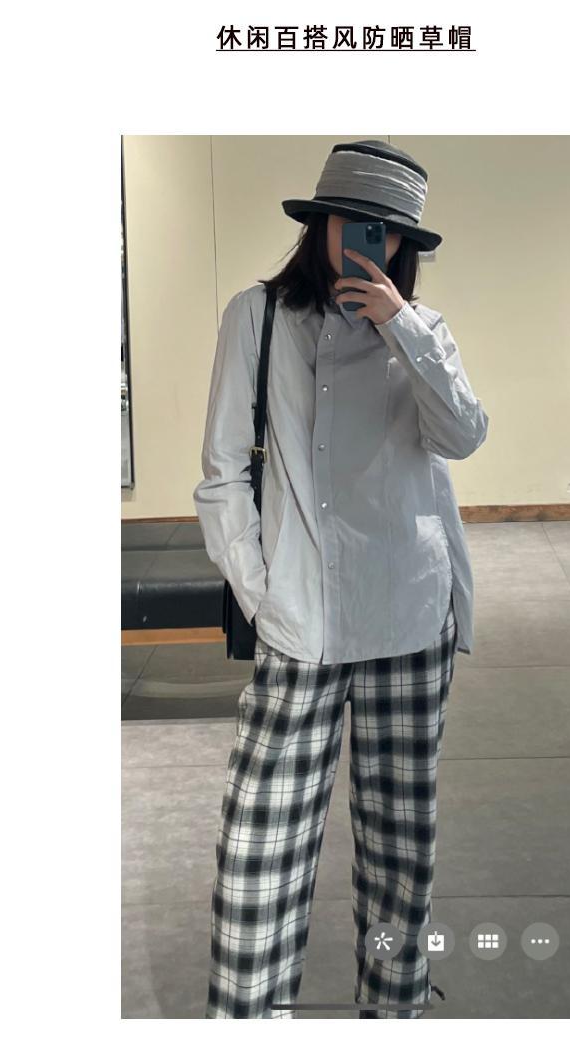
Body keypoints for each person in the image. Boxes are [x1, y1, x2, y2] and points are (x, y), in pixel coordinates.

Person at [193, 139, 490, 1018]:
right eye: (356, 224)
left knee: (402, 850)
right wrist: (263, 594)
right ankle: (248, 1017)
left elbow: (463, 436)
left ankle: (394, 1009)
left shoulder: (421, 332)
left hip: (408, 612)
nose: (372, 243)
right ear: (320, 223)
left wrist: (403, 327)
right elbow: (221, 474)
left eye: (389, 232)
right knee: (260, 849)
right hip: (301, 622)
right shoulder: (257, 317)